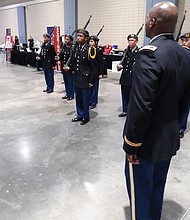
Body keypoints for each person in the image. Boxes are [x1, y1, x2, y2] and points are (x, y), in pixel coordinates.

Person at [123, 2, 190, 220]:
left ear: (152, 22)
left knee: (140, 195)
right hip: (168, 138)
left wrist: (132, 143)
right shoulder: (184, 54)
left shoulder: (149, 54)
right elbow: (184, 101)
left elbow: (142, 105)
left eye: (147, 18)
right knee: (157, 188)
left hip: (145, 144)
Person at [70, 29, 98, 125]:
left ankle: (85, 117)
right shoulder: (76, 48)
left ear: (86, 38)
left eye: (80, 36)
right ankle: (79, 115)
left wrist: (91, 81)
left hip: (86, 79)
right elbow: (75, 62)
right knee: (78, 98)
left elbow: (94, 68)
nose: (78, 38)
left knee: (85, 100)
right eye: (77, 36)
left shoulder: (90, 49)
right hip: (77, 78)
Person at [117, 34, 139, 117]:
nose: (130, 42)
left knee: (132, 96)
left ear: (136, 41)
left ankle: (131, 112)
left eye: (132, 40)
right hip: (125, 76)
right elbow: (123, 61)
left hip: (133, 77)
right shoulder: (126, 51)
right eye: (129, 40)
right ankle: (125, 110)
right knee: (124, 95)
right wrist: (120, 65)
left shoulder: (139, 52)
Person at [55, 34, 74, 100]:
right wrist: (58, 58)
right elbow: (62, 55)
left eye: (67, 39)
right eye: (65, 39)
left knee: (70, 82)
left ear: (71, 41)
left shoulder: (72, 48)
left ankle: (71, 94)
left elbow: (72, 59)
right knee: (66, 81)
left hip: (69, 68)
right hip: (64, 67)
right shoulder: (64, 47)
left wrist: (70, 66)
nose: (66, 41)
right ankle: (67, 93)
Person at [179, 32, 190, 138]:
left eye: (187, 40)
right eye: (182, 40)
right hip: (176, 84)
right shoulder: (177, 52)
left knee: (185, 106)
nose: (184, 42)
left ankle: (181, 128)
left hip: (187, 85)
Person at [88, 35, 104, 109]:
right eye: (90, 41)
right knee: (89, 87)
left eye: (92, 41)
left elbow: (101, 62)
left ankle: (94, 102)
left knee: (94, 88)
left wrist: (100, 73)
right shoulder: (88, 49)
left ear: (96, 42)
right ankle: (90, 100)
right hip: (89, 71)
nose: (90, 43)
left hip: (95, 71)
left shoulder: (98, 50)